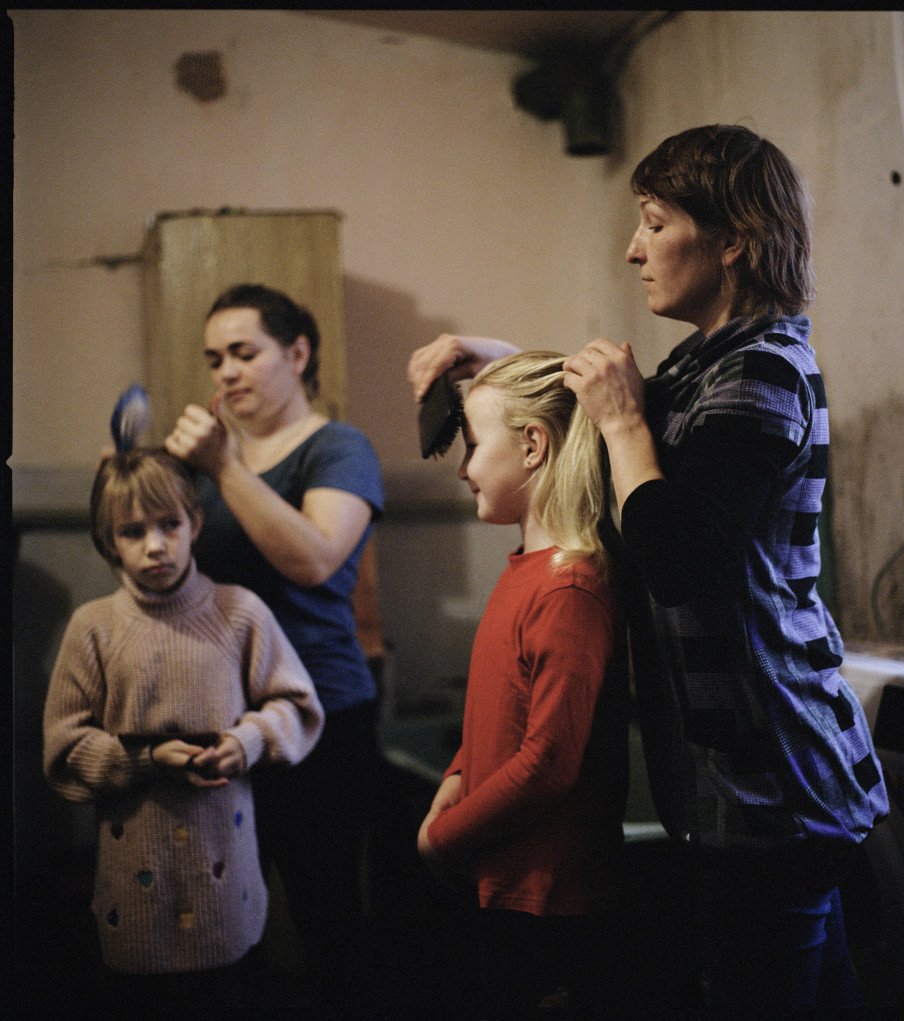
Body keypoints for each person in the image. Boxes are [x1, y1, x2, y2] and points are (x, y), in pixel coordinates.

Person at [408, 124, 889, 1012]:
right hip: (738, 787)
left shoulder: (764, 374)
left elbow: (676, 556)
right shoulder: (707, 366)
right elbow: (597, 423)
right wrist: (494, 362)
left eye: (655, 223)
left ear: (731, 239)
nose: (635, 249)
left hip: (775, 782)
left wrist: (628, 426)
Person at [163, 283, 385, 1014]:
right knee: (227, 919)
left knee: (325, 914)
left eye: (243, 352)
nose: (225, 372)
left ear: (297, 352)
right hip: (221, 718)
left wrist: (225, 466)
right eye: (214, 358)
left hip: (321, 713)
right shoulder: (206, 459)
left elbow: (316, 558)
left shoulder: (338, 447)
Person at [42, 448, 324, 1019]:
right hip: (132, 888)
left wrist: (246, 742)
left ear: (195, 524)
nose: (155, 545)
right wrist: (142, 760)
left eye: (169, 524)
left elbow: (298, 706)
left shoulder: (239, 613)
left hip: (226, 877)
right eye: (132, 531)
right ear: (107, 541)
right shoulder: (93, 628)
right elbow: (63, 746)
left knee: (228, 998)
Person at [416, 352, 630, 1019]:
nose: (463, 467)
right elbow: (495, 711)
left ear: (533, 444)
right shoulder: (525, 571)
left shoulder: (570, 585)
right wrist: (456, 774)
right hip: (504, 884)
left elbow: (547, 763)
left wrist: (442, 839)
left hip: (549, 901)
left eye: (475, 446)